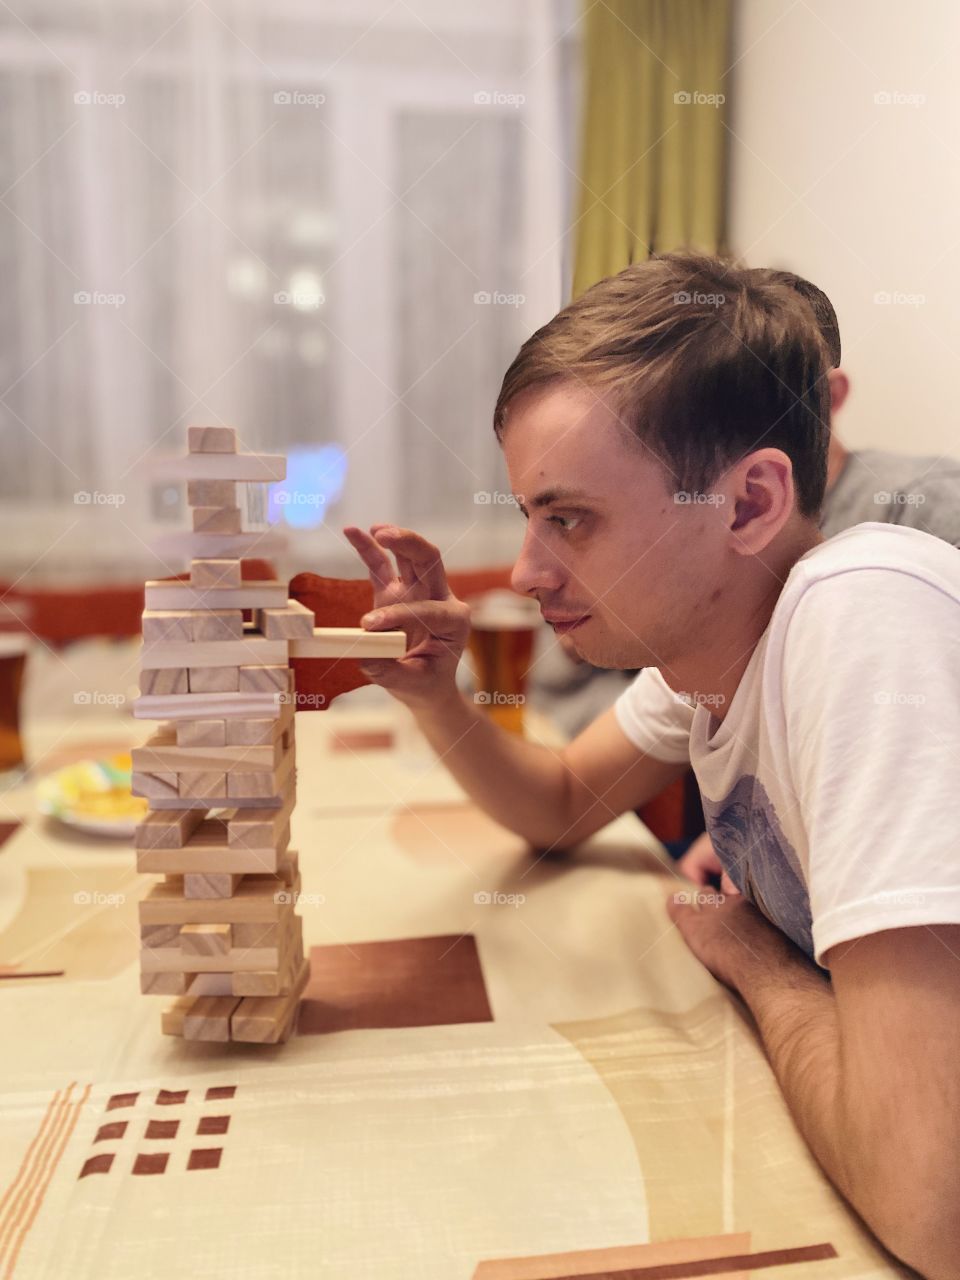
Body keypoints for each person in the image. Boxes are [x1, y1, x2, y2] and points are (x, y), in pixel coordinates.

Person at [344, 253, 960, 1279]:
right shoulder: (716, 640)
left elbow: (931, 1203)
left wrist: (755, 957)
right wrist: (435, 694)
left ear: (749, 503)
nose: (530, 572)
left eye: (570, 517)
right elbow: (558, 803)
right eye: (531, 517)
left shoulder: (862, 606)